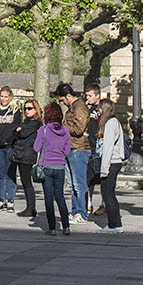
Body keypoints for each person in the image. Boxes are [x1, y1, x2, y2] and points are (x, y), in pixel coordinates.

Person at [34, 101, 73, 235]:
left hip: (46, 166)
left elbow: (36, 148)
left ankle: (52, 228)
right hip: (60, 167)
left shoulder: (43, 130)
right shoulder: (66, 132)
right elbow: (67, 152)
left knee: (48, 198)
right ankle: (66, 226)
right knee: (60, 196)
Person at [56, 82, 92, 223]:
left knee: (79, 183)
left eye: (62, 100)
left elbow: (79, 129)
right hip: (70, 147)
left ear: (68, 96)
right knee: (72, 183)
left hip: (79, 149)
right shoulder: (73, 108)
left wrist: (63, 126)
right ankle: (75, 210)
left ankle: (82, 213)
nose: (62, 103)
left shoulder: (79, 108)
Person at [95, 98, 128, 233]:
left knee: (108, 194)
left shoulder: (109, 124)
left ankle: (114, 224)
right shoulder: (115, 123)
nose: (98, 111)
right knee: (110, 193)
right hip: (115, 161)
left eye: (99, 108)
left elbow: (108, 147)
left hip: (111, 162)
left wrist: (104, 169)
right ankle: (115, 223)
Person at [10, 97, 41, 217]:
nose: (27, 111)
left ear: (36, 109)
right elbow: (14, 131)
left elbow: (22, 133)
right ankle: (30, 206)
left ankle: (31, 207)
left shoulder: (36, 123)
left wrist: (19, 131)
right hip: (20, 153)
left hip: (27, 154)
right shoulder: (26, 122)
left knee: (27, 181)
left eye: (30, 108)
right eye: (25, 109)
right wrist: (17, 130)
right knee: (24, 180)